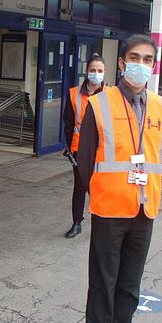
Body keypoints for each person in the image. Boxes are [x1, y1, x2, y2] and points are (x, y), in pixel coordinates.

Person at [76, 34, 162, 323]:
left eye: (148, 59)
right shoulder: (99, 104)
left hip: (145, 210)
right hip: (110, 211)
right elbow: (85, 163)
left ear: (154, 65)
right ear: (122, 62)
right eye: (134, 57)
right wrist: (105, 193)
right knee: (103, 285)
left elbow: (157, 157)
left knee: (129, 286)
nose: (140, 64)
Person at [62, 54, 106, 239]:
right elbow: (68, 123)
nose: (96, 74)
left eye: (100, 71)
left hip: (103, 150)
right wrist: (69, 147)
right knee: (79, 187)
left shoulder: (110, 94)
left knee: (100, 189)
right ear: (86, 72)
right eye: (93, 70)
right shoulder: (74, 93)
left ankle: (101, 224)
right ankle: (77, 223)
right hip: (79, 149)